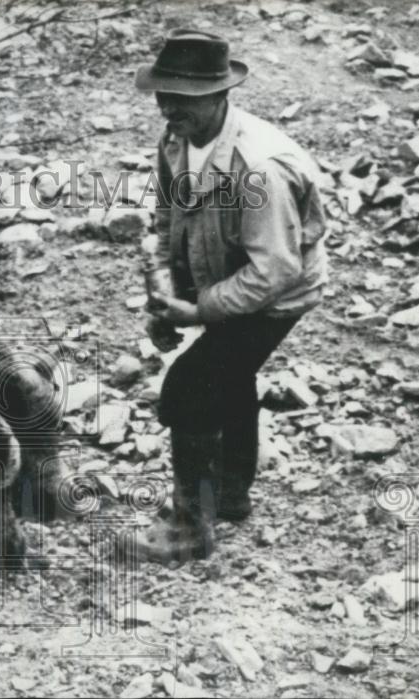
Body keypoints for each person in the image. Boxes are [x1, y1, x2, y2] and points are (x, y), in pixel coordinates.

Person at [132, 30, 329, 562]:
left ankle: (191, 527)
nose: (169, 109)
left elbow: (275, 270)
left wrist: (199, 310)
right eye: (163, 95)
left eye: (184, 98)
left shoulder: (259, 168)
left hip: (275, 294)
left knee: (191, 387)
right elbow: (172, 215)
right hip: (224, 273)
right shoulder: (177, 138)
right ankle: (231, 493)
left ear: (221, 95)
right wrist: (168, 297)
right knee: (228, 373)